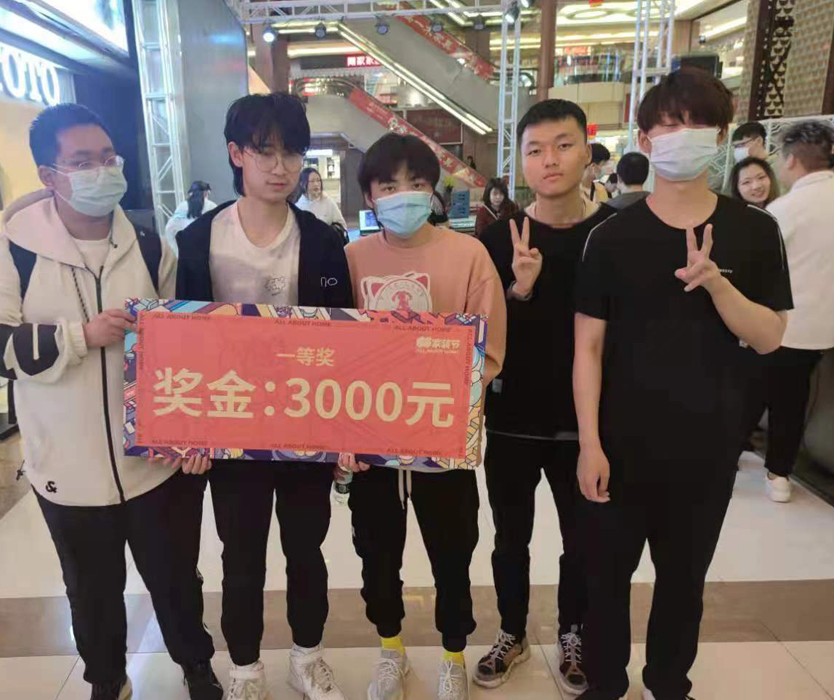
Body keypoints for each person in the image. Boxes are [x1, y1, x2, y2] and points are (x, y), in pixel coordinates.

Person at [0, 104, 222, 700]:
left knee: (176, 580)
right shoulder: (14, 251)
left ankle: (196, 666)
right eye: (82, 162)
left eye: (108, 157)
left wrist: (191, 431)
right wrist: (78, 337)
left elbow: (183, 346)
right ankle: (108, 679)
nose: (101, 171)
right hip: (67, 468)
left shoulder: (151, 246)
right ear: (48, 175)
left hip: (154, 466)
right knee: (90, 589)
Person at [574, 68, 792, 700]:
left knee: (683, 581)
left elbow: (770, 336)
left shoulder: (756, 230)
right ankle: (605, 684)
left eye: (699, 124)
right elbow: (588, 348)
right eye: (669, 124)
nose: (683, 135)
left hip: (707, 445)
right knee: (605, 580)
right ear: (645, 137)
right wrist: (589, 442)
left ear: (721, 137)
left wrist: (717, 283)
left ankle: (669, 684)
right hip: (620, 446)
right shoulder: (610, 236)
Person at [175, 92, 353, 700]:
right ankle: (246, 669)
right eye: (265, 151)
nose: (282, 167)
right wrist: (189, 430)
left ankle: (308, 657)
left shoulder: (323, 242)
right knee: (241, 554)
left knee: (307, 550)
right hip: (233, 428)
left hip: (307, 425)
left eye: (293, 153)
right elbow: (179, 343)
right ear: (236, 154)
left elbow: (346, 343)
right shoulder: (198, 241)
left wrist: (346, 434)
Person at [337, 133, 507, 700]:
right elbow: (333, 350)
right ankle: (391, 649)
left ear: (434, 190)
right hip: (373, 444)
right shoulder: (353, 259)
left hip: (443, 440)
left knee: (453, 552)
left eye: (415, 183)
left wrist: (440, 395)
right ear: (369, 195)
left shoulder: (469, 256)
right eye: (389, 185)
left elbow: (489, 351)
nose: (403, 194)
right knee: (376, 554)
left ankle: (454, 653)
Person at [475, 99, 615, 697]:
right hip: (513, 418)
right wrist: (518, 289)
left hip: (588, 424)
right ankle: (511, 632)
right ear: (521, 161)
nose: (550, 160)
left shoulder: (614, 234)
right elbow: (481, 330)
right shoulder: (496, 238)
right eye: (535, 150)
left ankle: (572, 633)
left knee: (582, 539)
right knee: (511, 538)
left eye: (563, 145)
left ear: (587, 152)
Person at [759, 121, 834, 502]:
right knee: (793, 399)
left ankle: (766, 470)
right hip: (823, 329)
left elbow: (759, 269)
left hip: (785, 326)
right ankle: (779, 474)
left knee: (761, 394)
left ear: (790, 160)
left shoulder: (785, 209)